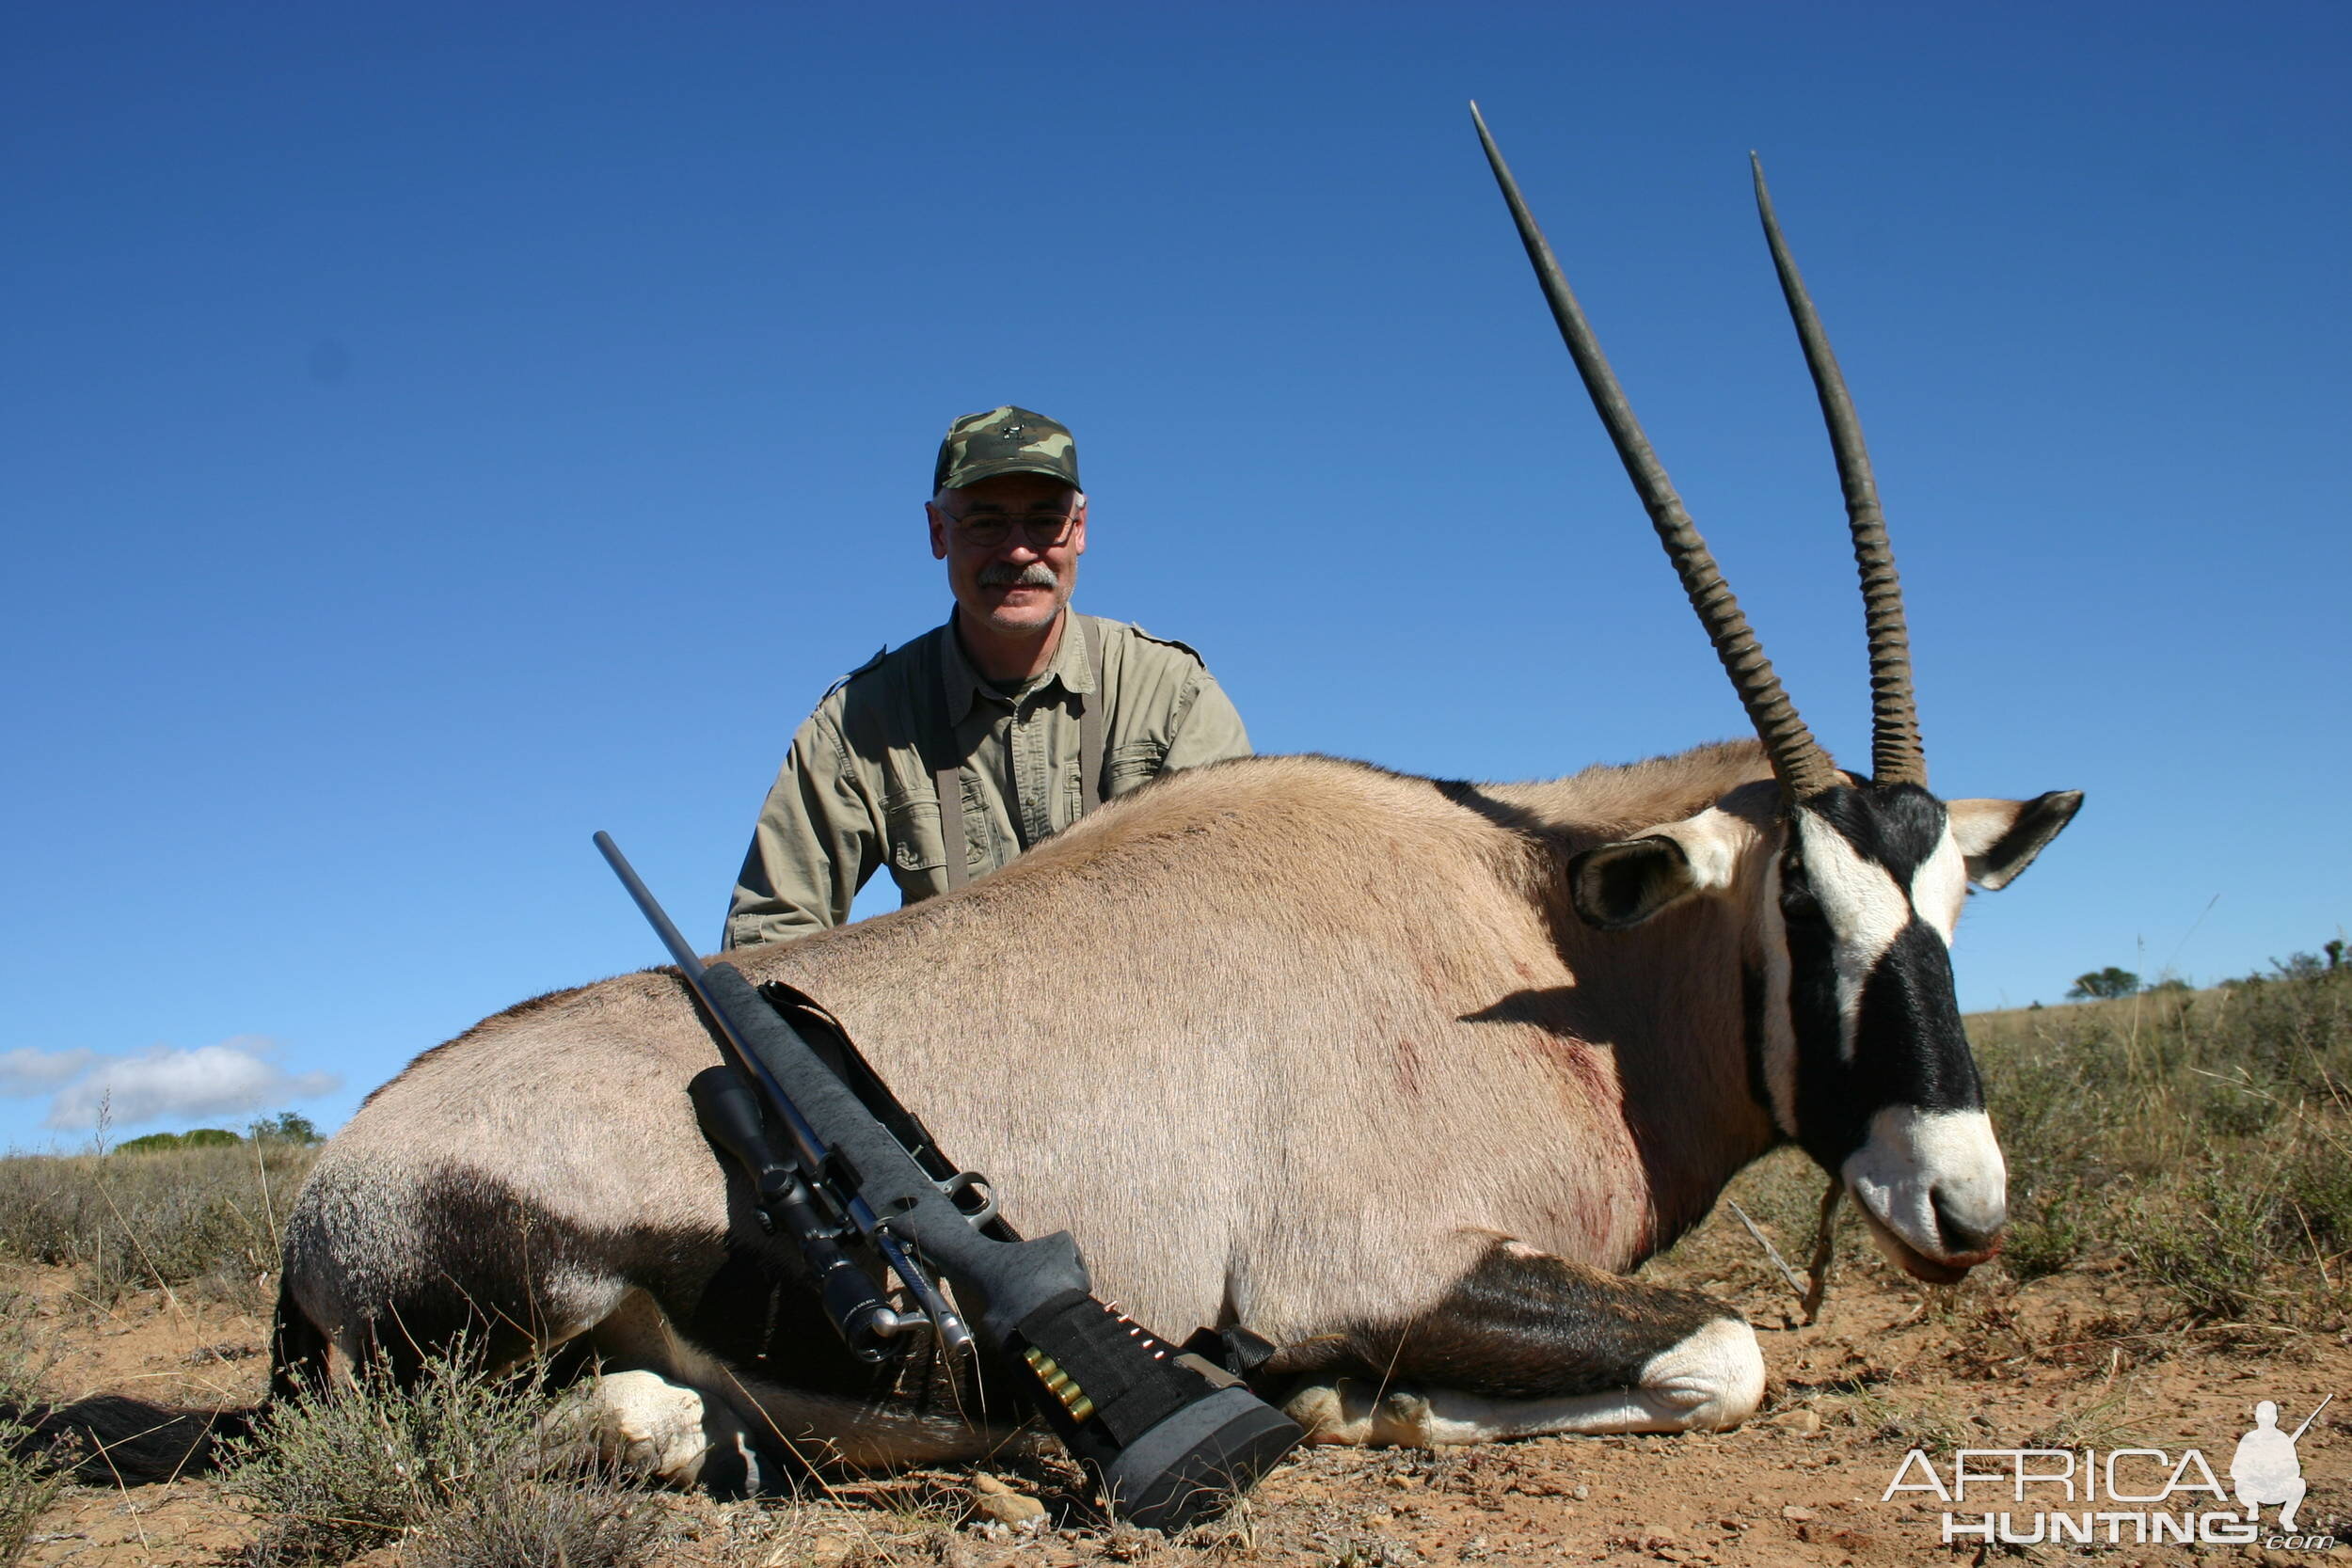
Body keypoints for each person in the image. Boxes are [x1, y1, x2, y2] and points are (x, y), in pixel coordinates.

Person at [723, 406, 1252, 948]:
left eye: (1046, 520)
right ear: (937, 532)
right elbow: (769, 936)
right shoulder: (858, 722)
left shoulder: (1171, 693)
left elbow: (1240, 903)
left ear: (1080, 529)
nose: (1019, 550)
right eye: (985, 522)